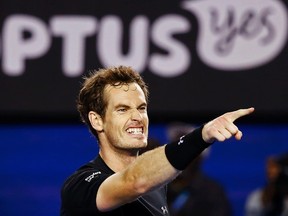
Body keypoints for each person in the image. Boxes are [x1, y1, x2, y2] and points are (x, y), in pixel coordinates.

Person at [60, 65, 255, 216]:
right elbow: (134, 181)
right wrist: (201, 135)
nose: (137, 117)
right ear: (97, 120)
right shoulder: (79, 186)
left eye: (141, 108)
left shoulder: (157, 187)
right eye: (122, 109)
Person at [166, 122, 232, 216]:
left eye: (187, 151)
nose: (180, 155)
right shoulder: (159, 188)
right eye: (176, 149)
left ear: (200, 158)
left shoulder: (213, 192)